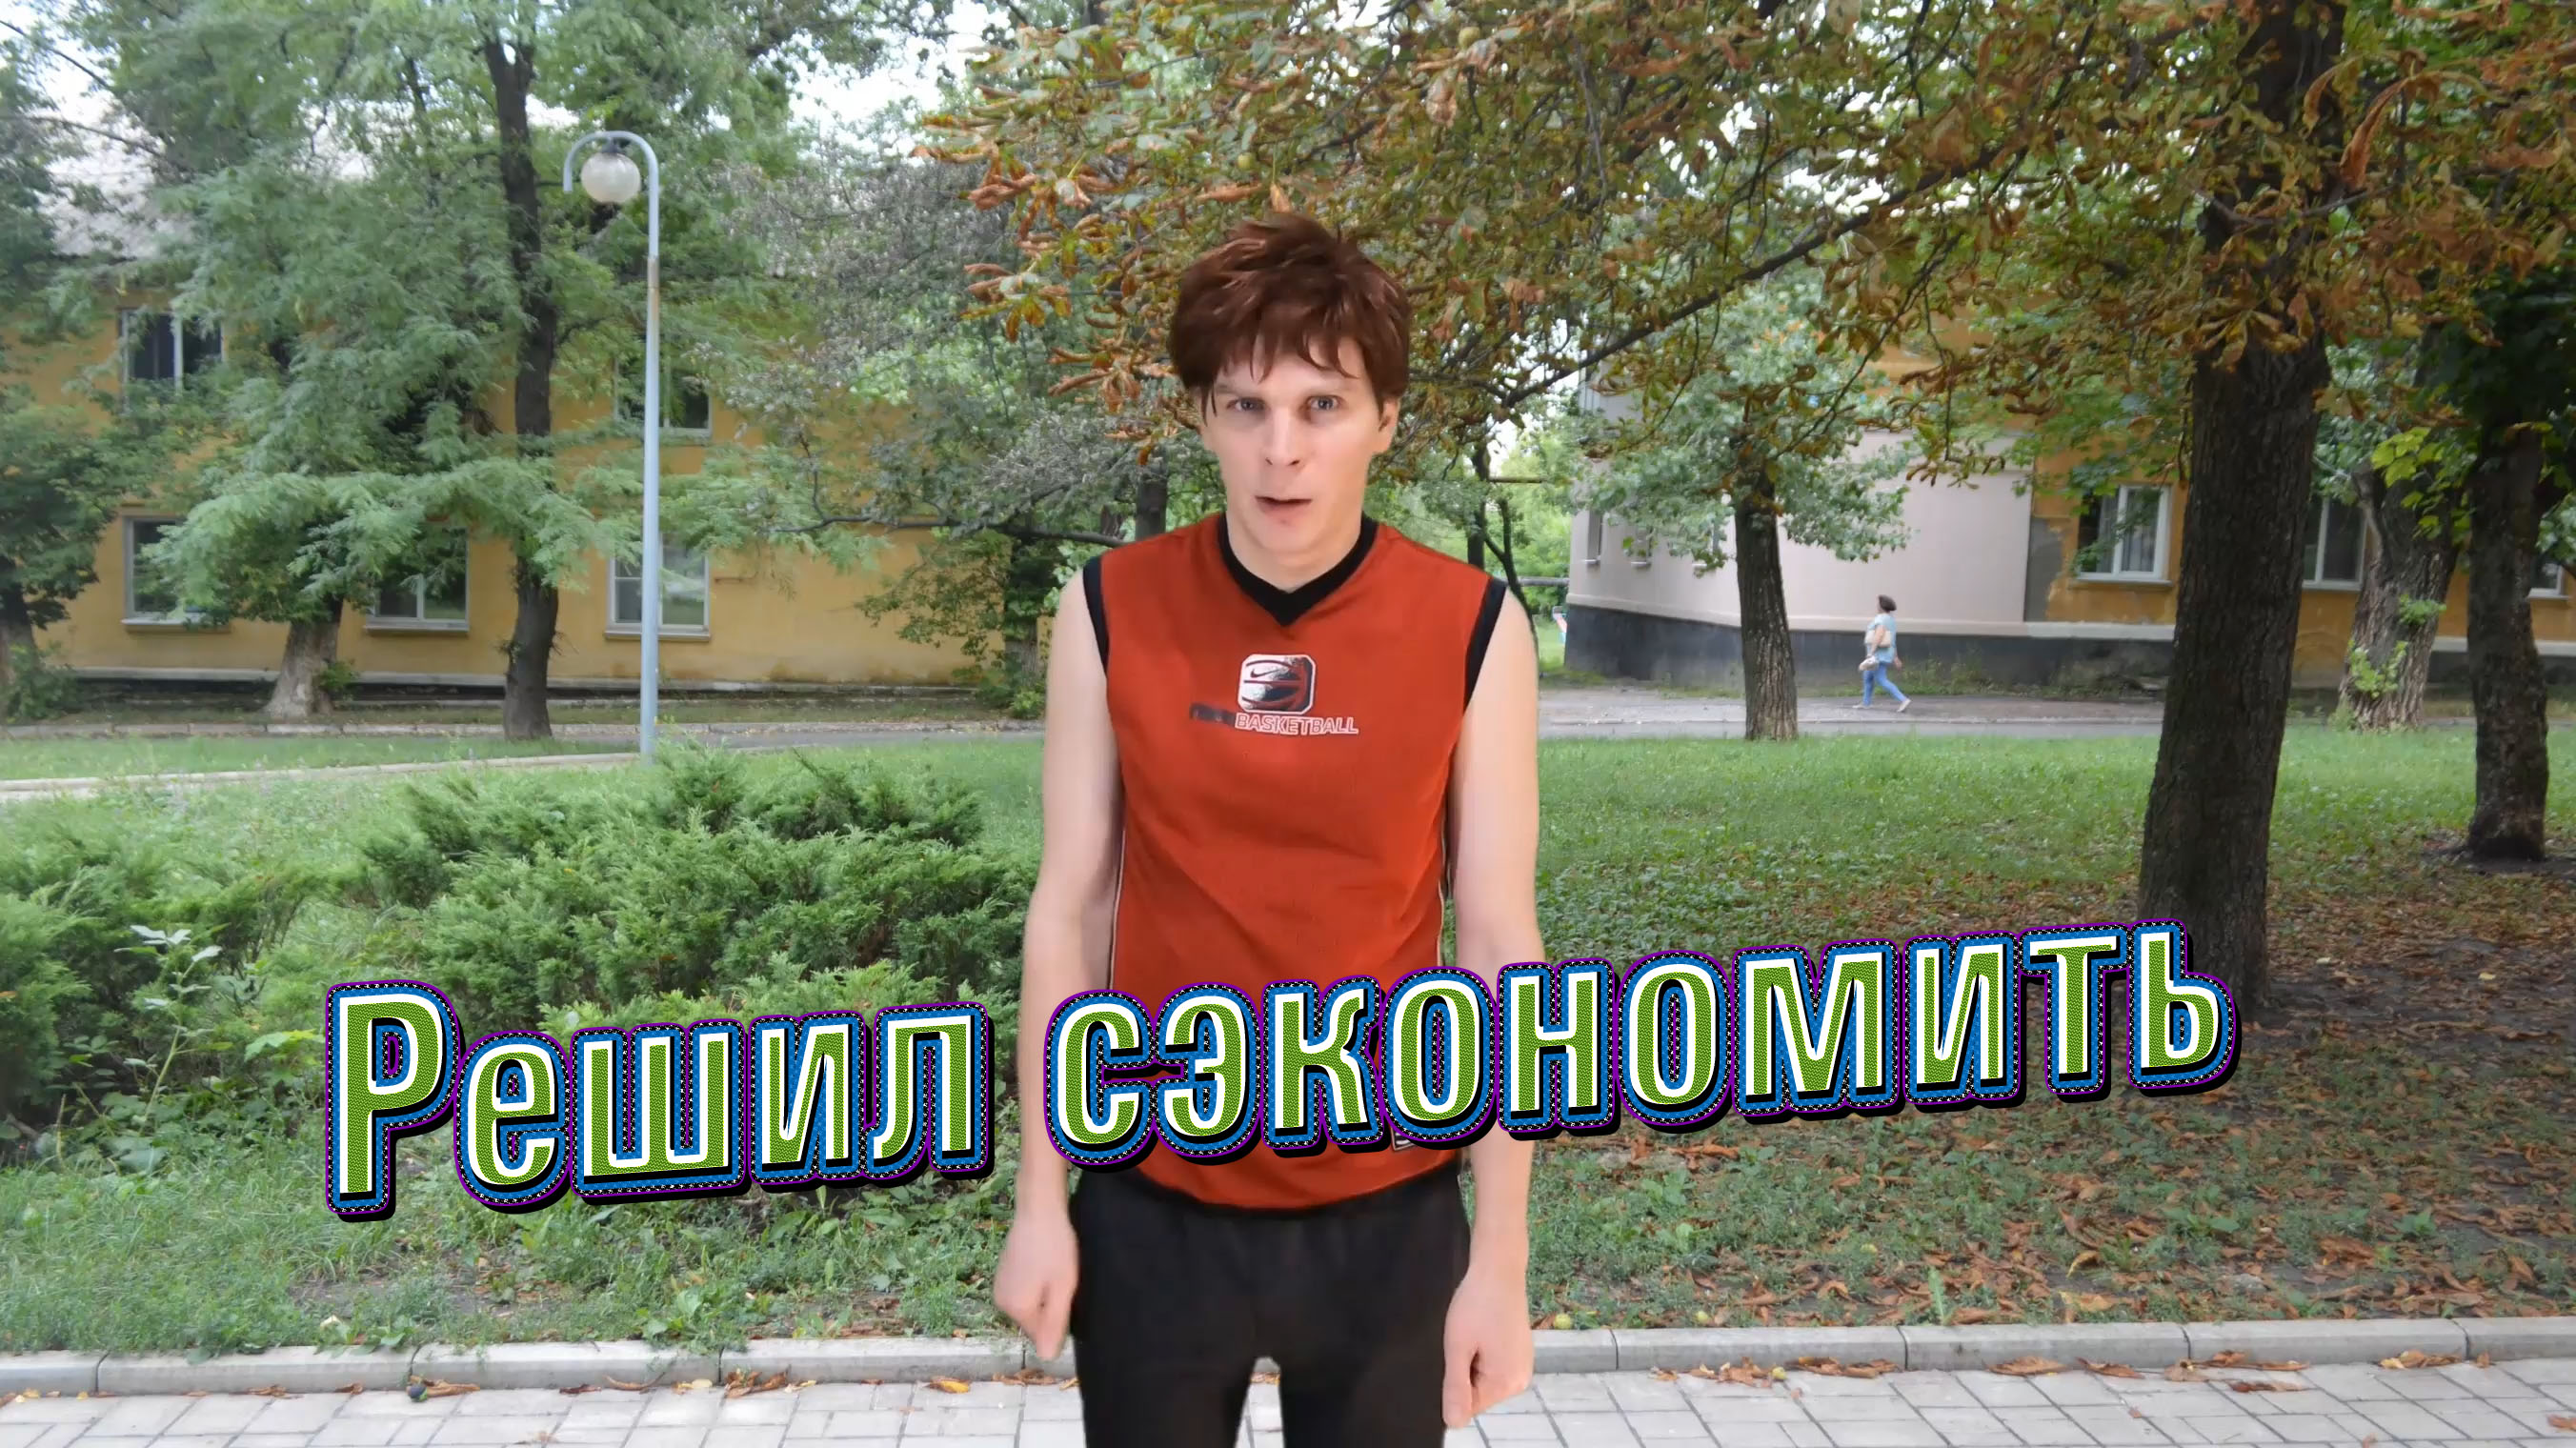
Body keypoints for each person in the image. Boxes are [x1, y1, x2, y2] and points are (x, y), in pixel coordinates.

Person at [991, 211, 1542, 1448]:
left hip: (1387, 1213)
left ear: (1386, 419)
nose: (1280, 449)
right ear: (1202, 417)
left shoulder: (1473, 626)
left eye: (1321, 406)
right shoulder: (1109, 606)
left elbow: (1499, 944)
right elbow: (1070, 906)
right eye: (1245, 406)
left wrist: (1499, 1262)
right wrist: (1039, 1200)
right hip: (1151, 1201)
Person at [1856, 593, 1910, 712]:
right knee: (1868, 677)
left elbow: (1879, 635)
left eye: (1878, 603)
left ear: (1881, 605)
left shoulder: (1881, 619)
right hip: (1886, 654)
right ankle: (1866, 703)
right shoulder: (1891, 620)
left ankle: (1903, 700)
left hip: (1878, 656)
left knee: (1881, 679)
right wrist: (1895, 657)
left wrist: (1872, 652)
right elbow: (1892, 641)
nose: (1876, 606)